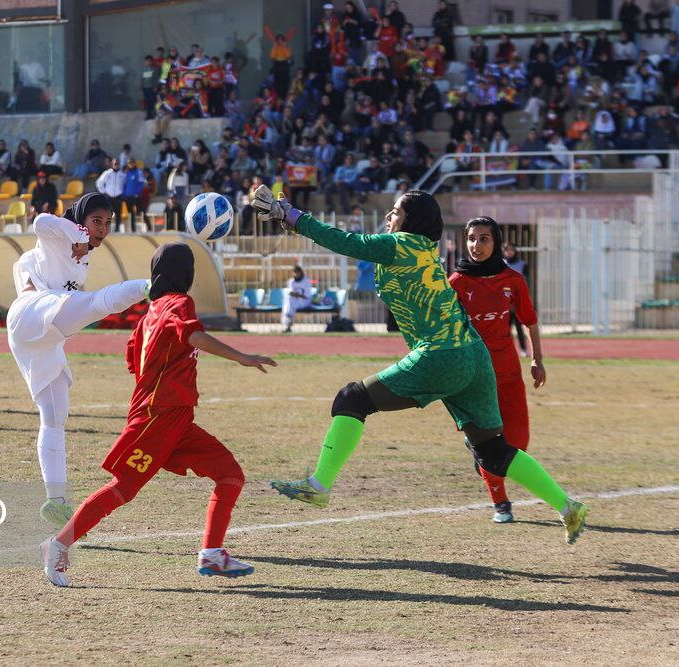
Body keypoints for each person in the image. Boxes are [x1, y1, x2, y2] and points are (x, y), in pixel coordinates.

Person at [250, 186, 588, 545]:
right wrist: (292, 221)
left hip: (441, 354)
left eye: (395, 212)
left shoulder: (403, 244)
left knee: (351, 399)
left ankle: (319, 485)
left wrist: (292, 216)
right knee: (492, 451)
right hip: (474, 354)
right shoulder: (420, 247)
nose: (389, 217)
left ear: (410, 220)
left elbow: (347, 242)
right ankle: (568, 507)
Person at [41, 243, 276, 586]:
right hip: (159, 416)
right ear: (186, 273)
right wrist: (242, 357)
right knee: (123, 488)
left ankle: (212, 554)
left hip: (175, 417)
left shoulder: (148, 314)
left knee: (230, 474)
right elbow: (192, 335)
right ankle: (58, 544)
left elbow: (134, 359)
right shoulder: (179, 303)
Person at [6, 193, 150, 529]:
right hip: (30, 315)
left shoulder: (81, 258)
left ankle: (55, 500)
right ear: (81, 220)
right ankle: (150, 285)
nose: (102, 229)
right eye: (96, 221)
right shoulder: (62, 235)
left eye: (108, 223)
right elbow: (41, 222)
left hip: (45, 339)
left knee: (55, 416)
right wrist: (77, 235)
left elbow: (32, 264)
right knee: (95, 303)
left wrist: (82, 243)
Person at [449, 218, 546, 523]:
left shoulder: (513, 280)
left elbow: (529, 321)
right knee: (490, 443)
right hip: (472, 374)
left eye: (485, 239)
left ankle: (482, 458)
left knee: (518, 441)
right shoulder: (456, 283)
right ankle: (501, 503)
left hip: (506, 370)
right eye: (472, 239)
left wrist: (536, 359)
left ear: (497, 241)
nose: (477, 246)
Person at [95, 159, 126, 227]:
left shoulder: (122, 174)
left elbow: (125, 184)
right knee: (107, 213)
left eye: (117, 164)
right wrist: (103, 192)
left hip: (118, 196)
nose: (116, 165)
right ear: (112, 164)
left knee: (118, 213)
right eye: (115, 164)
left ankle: (117, 228)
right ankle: (106, 228)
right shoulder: (107, 173)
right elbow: (99, 182)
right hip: (108, 196)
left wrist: (123, 193)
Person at [282, 265, 312, 333]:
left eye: (298, 272)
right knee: (289, 300)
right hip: (294, 302)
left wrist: (299, 295)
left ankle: (288, 323)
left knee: (290, 303)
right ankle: (288, 323)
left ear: (301, 272)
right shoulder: (291, 281)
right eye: (295, 272)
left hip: (305, 302)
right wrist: (293, 294)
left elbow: (307, 296)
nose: (297, 274)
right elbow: (290, 292)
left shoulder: (306, 280)